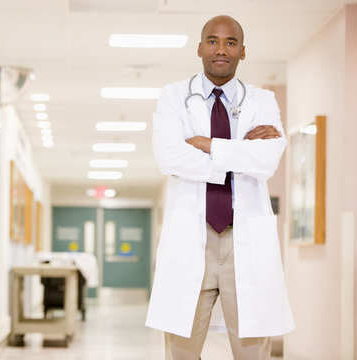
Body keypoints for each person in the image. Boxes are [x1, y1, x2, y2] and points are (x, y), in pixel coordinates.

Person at [145, 15, 294, 359]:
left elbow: (266, 162)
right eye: (212, 41)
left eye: (231, 42)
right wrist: (240, 148)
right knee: (181, 351)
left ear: (243, 52)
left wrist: (206, 143)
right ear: (200, 48)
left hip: (246, 243)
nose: (221, 49)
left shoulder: (263, 101)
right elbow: (170, 158)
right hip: (190, 237)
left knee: (252, 351)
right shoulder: (172, 97)